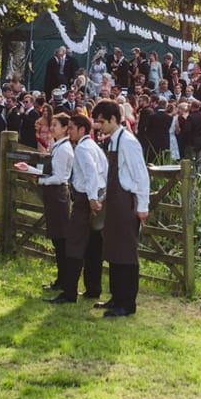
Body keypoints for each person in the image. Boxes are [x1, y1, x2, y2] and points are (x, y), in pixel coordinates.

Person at [91, 100, 152, 317]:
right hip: (115, 201)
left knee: (126, 253)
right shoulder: (113, 141)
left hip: (126, 202)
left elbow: (141, 175)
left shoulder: (128, 142)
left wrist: (143, 206)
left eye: (101, 122)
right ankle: (116, 297)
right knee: (114, 250)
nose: (99, 126)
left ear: (114, 119)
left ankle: (127, 304)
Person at [29, 113, 76, 300]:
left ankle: (64, 280)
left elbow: (59, 177)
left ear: (65, 128)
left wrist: (40, 180)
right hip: (54, 194)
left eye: (55, 125)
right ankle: (61, 279)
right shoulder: (57, 146)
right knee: (57, 240)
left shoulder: (64, 149)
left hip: (58, 195)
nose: (52, 128)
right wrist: (32, 170)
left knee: (61, 240)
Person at [64, 113, 107, 302]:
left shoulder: (82, 148)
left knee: (74, 243)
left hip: (85, 199)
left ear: (82, 130)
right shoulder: (94, 146)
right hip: (97, 195)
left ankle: (69, 292)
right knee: (93, 246)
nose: (69, 131)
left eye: (71, 128)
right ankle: (93, 288)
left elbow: (91, 174)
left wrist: (91, 199)